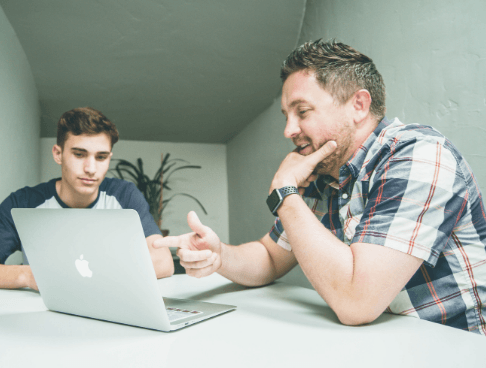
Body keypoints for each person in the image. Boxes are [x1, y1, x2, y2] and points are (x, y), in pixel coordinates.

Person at [154, 39, 486, 335]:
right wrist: (219, 254)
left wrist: (285, 191)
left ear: (359, 105)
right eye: (286, 115)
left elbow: (357, 303)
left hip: (455, 347)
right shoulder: (325, 173)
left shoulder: (419, 155)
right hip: (382, 344)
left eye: (302, 112)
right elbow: (271, 256)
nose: (288, 130)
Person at [0, 107, 174, 290]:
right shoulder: (24, 202)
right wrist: (30, 276)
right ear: (58, 154)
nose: (91, 168)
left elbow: (163, 262)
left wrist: (80, 275)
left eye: (101, 157)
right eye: (79, 154)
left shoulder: (124, 195)